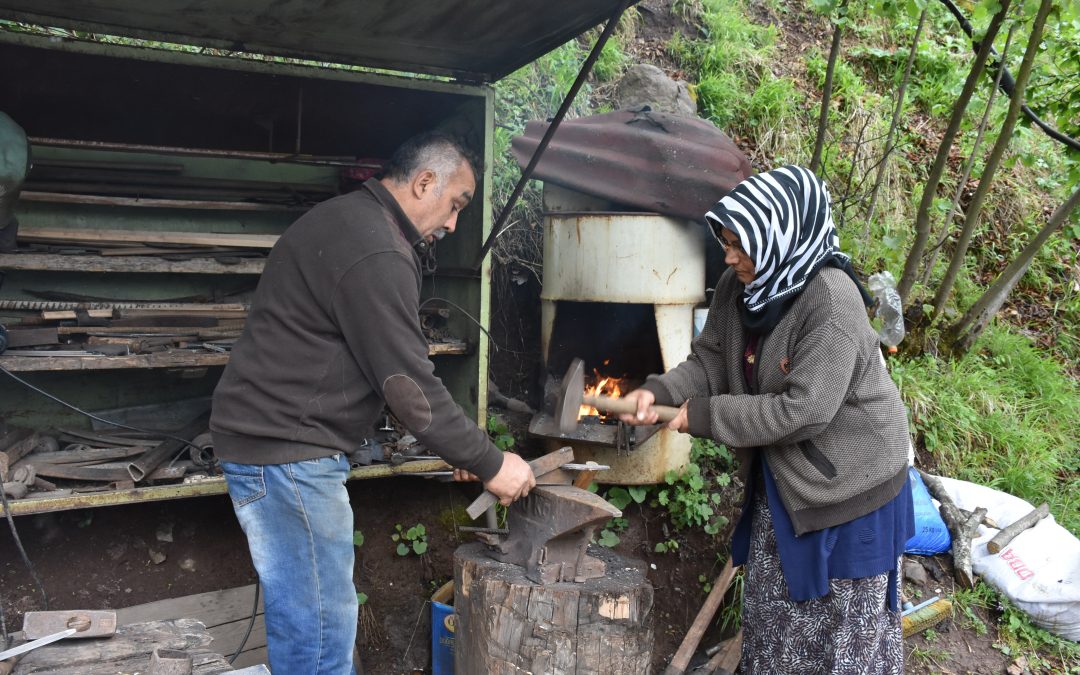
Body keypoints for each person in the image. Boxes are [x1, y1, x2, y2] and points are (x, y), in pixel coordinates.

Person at [209, 130, 536, 675]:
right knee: (318, 636)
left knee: (312, 622)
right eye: (455, 204)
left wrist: (458, 450)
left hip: (278, 446)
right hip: (289, 454)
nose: (454, 223)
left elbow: (350, 356)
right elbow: (409, 385)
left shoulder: (346, 218)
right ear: (424, 181)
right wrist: (490, 462)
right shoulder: (379, 247)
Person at [620, 165, 914, 674]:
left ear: (779, 237)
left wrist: (707, 416)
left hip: (851, 489)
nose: (729, 255)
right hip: (786, 480)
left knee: (840, 642)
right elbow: (711, 360)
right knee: (772, 622)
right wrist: (660, 390)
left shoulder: (832, 300)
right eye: (727, 241)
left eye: (741, 243)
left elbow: (805, 409)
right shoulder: (741, 287)